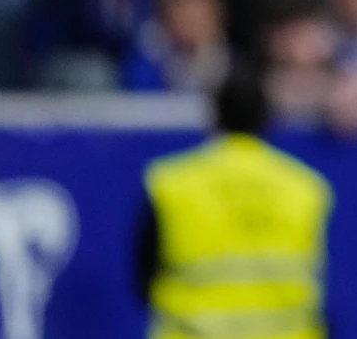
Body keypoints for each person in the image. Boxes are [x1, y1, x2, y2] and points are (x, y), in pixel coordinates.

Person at [137, 68, 332, 339]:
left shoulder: (170, 183)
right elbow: (316, 279)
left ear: (213, 115)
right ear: (267, 118)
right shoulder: (306, 187)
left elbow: (143, 280)